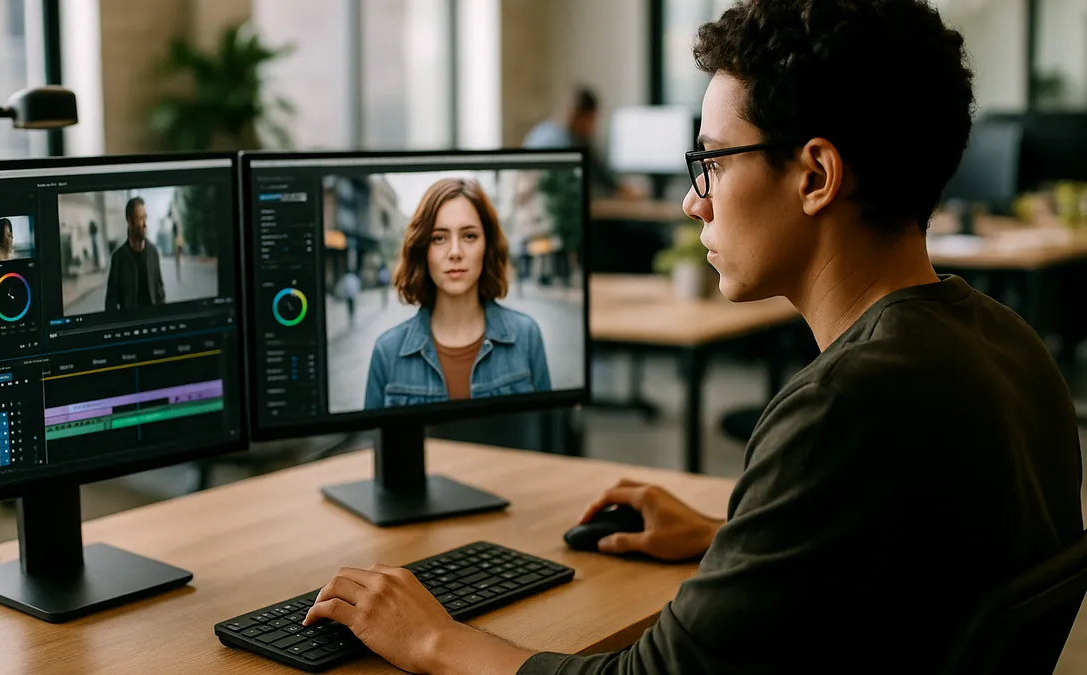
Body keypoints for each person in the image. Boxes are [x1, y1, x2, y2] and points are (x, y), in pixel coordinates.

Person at [303, 2, 1084, 674]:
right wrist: (732, 539)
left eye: (709, 160)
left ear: (815, 176)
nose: (691, 202)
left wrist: (434, 636)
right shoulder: (1005, 343)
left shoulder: (846, 404)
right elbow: (916, 559)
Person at [362, 178, 551, 409]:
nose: (455, 252)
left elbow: (546, 435)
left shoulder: (526, 336)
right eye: (439, 238)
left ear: (487, 246)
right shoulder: (387, 351)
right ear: (423, 250)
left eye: (469, 236)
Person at [523, 86, 642, 200]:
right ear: (585, 116)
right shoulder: (568, 143)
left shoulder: (539, 132)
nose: (593, 125)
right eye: (593, 119)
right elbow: (599, 176)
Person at [104, 197, 166, 312]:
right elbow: (110, 303)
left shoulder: (153, 253)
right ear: (129, 221)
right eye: (141, 218)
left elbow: (160, 293)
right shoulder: (118, 258)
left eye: (145, 218)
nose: (145, 224)